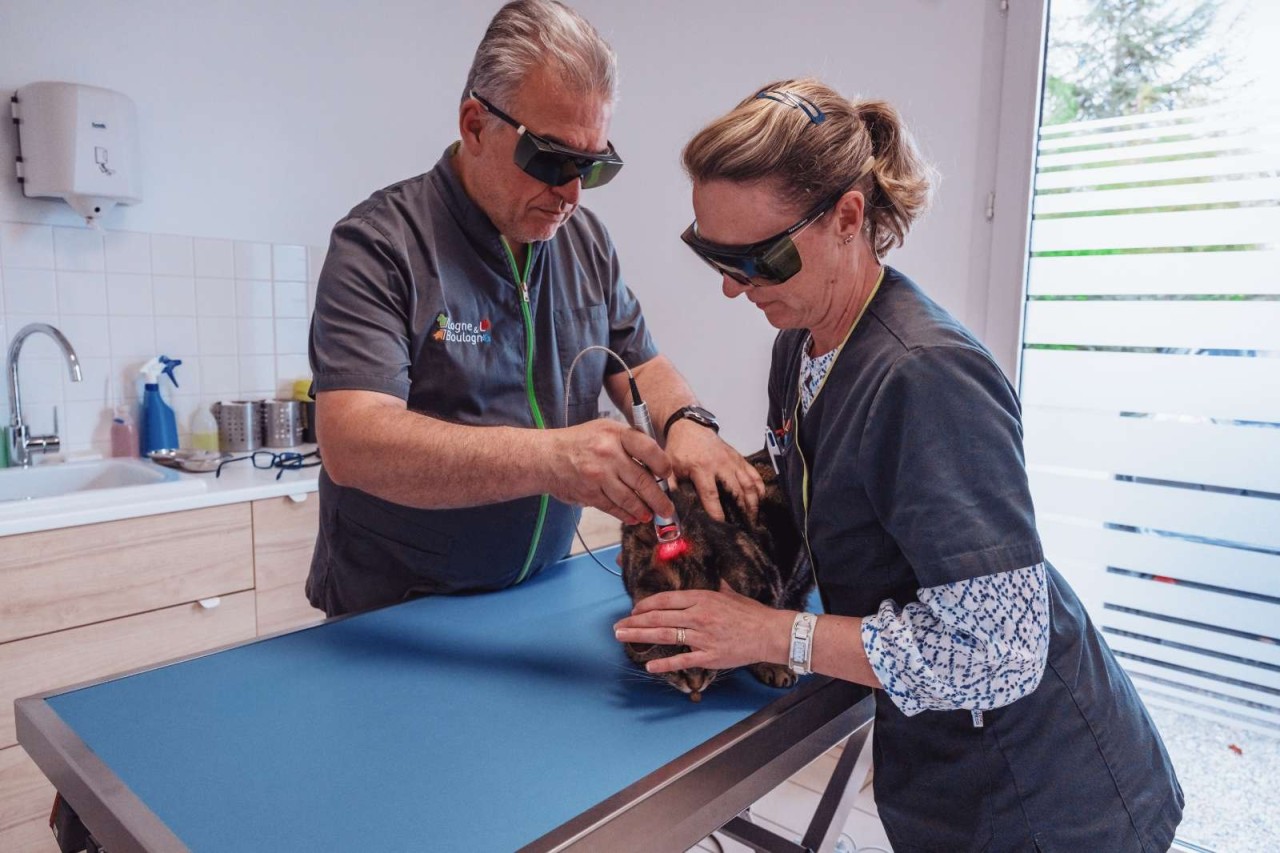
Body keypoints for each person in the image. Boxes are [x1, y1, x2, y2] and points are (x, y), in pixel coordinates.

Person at [613, 79, 1183, 852]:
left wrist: (774, 633)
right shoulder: (801, 347)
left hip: (1045, 796)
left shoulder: (929, 377)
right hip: (945, 771)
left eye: (760, 258)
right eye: (714, 253)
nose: (732, 286)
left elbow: (1002, 652)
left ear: (848, 219)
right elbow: (841, 494)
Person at [306, 0, 762, 617]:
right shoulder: (381, 244)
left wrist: (687, 422)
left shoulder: (585, 241)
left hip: (539, 590)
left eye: (592, 167)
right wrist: (552, 458)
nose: (572, 192)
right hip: (398, 611)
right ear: (475, 125)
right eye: (550, 159)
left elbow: (638, 363)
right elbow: (352, 441)